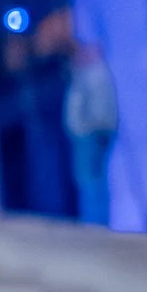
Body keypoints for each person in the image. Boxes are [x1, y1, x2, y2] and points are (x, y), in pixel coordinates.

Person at [63, 34, 119, 228]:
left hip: (90, 135)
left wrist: (87, 128)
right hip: (91, 134)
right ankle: (96, 222)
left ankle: (95, 224)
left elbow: (95, 109)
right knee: (93, 181)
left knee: (91, 182)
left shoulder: (95, 75)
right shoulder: (92, 75)